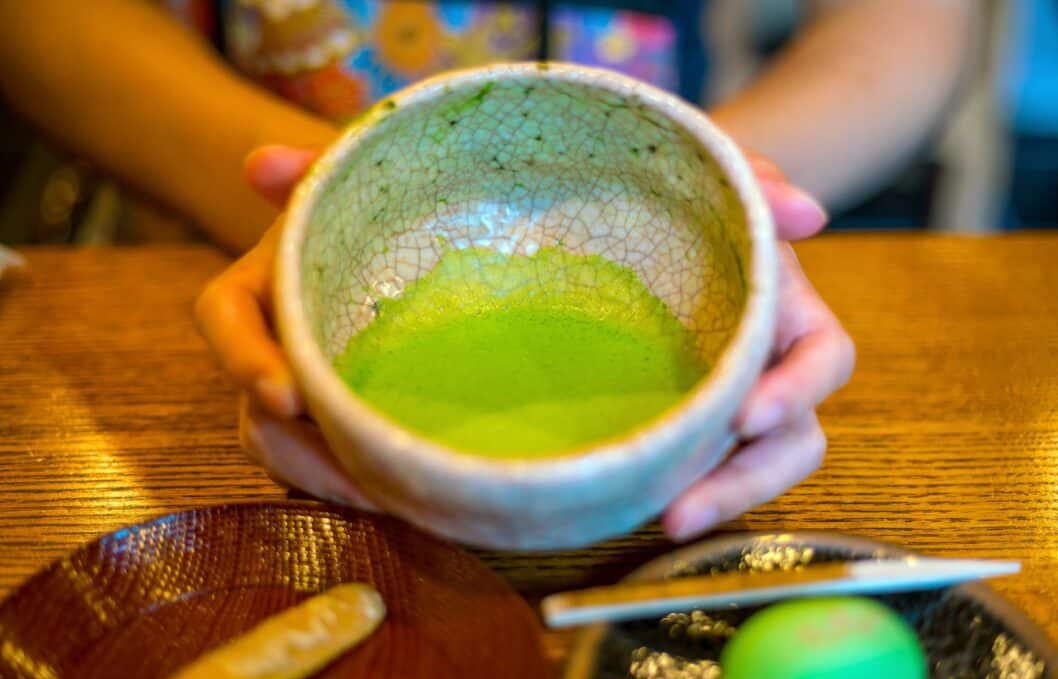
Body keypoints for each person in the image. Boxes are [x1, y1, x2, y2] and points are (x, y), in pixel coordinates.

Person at [0, 0, 976, 542]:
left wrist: (713, 196)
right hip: (191, 227)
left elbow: (904, 24)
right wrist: (329, 203)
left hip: (672, 158)